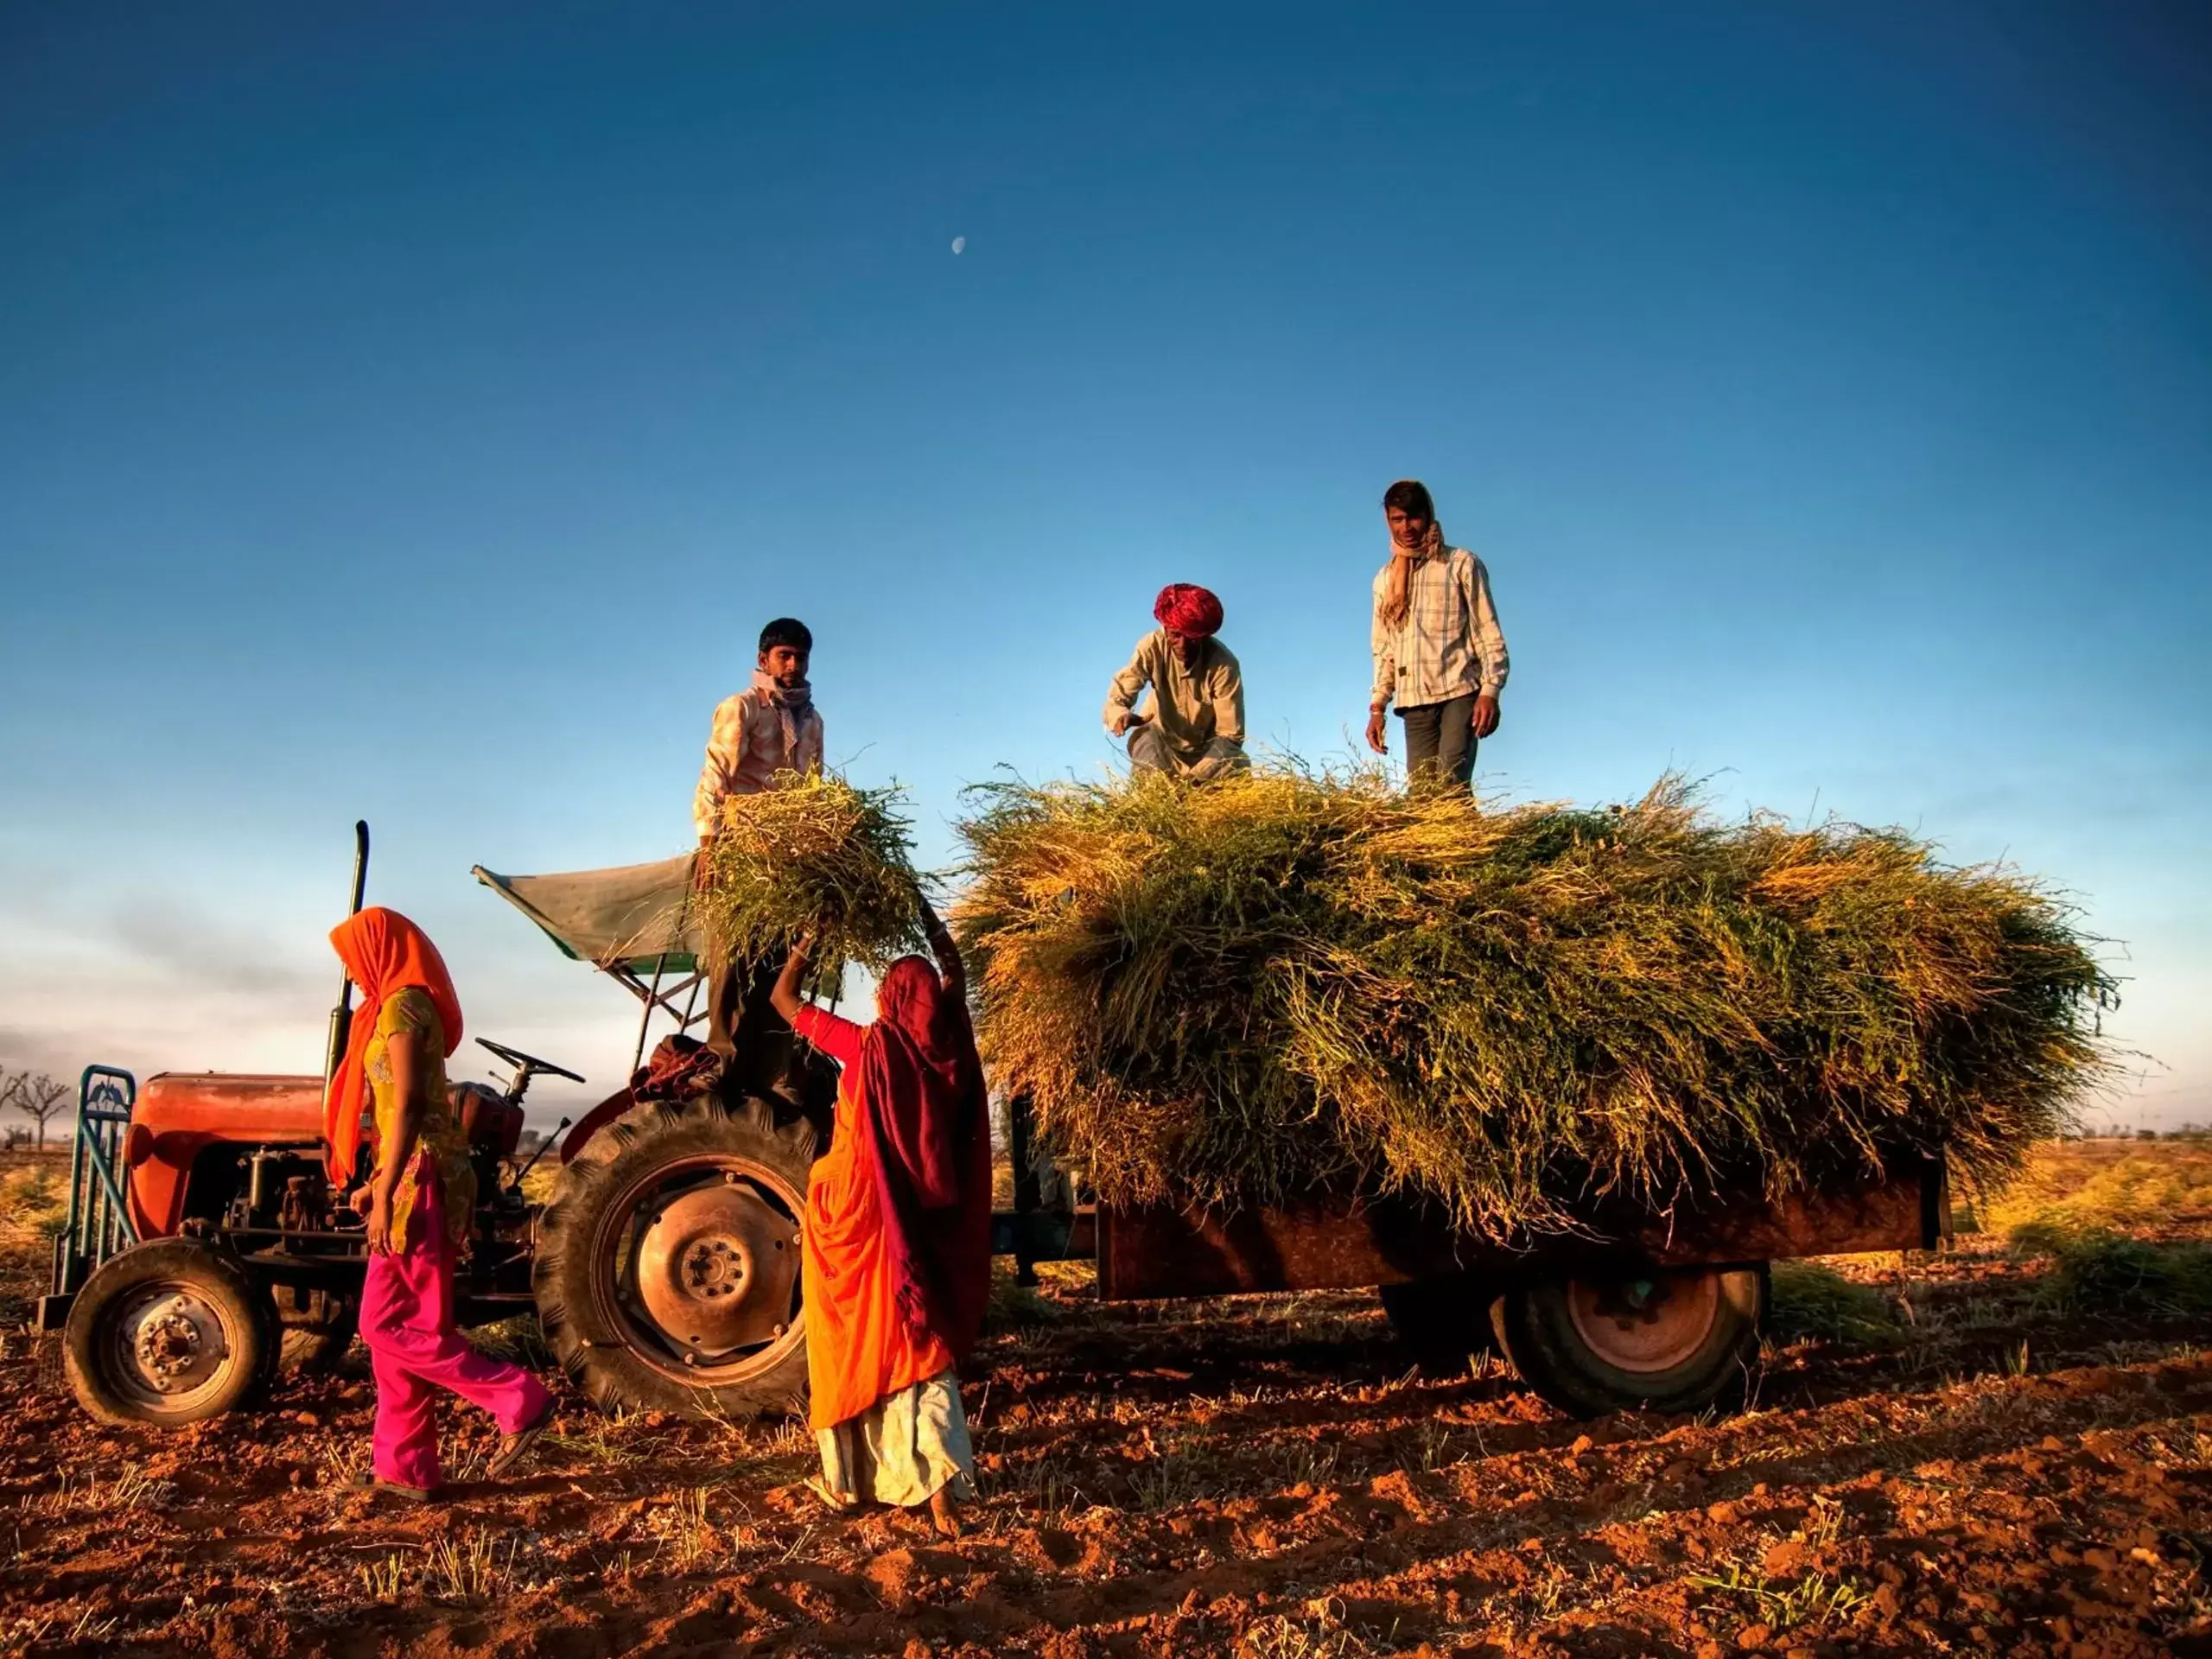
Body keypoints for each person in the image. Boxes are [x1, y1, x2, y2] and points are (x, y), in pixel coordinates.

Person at [768, 901, 992, 1538]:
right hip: (910, 1217)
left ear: (891, 999)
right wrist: (926, 917)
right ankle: (941, 1485)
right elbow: (954, 974)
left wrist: (812, 934)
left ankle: (853, 1479)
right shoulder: (947, 1046)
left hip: (853, 1213)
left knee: (850, 1340)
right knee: (918, 1337)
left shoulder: (865, 1044)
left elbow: (784, 999)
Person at [324, 907, 553, 1503]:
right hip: (413, 1174)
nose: (350, 974)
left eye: (353, 958)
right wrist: (377, 1180)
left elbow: (407, 1106)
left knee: (379, 1324)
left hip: (419, 1182)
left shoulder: (402, 1006)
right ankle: (407, 1468)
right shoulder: (401, 1005)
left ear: (379, 950)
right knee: (410, 1330)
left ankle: (515, 1396)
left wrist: (386, 1190)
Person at [693, 618, 825, 1071]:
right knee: (731, 955)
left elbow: (813, 792)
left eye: (800, 656)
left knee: (779, 960)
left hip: (787, 860)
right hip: (740, 849)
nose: (793, 664)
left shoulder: (812, 721)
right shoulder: (743, 707)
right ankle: (721, 1059)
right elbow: (715, 774)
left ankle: (771, 1066)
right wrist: (710, 844)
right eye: (784, 655)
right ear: (763, 660)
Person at [1363, 480, 1510, 791]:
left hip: (1459, 690)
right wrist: (1378, 707)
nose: (1407, 527)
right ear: (1388, 521)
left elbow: (1487, 631)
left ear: (1428, 514)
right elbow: (1384, 648)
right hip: (1414, 698)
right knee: (1423, 796)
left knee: (1450, 785)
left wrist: (1490, 691)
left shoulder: (1460, 564)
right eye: (1397, 519)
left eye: (1413, 517)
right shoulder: (1385, 580)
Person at [1103, 583, 1249, 780]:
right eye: (1175, 635)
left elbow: (1230, 735)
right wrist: (1120, 714)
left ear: (1204, 636)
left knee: (1235, 761)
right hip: (1160, 746)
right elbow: (1119, 695)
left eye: (1191, 638)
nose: (1182, 645)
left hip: (1208, 755)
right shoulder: (1151, 646)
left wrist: (1194, 780)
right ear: (1165, 629)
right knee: (1145, 739)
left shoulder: (1224, 665)